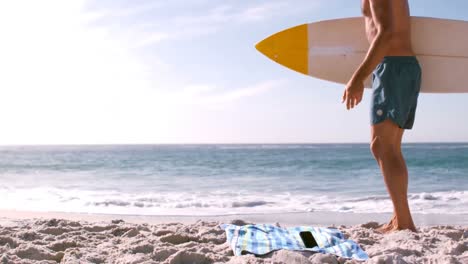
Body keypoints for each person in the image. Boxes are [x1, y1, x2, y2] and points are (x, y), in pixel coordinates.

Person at [342, 0, 421, 233]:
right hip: (394, 67)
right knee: (387, 148)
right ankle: (400, 218)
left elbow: (385, 33)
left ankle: (405, 223)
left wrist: (357, 78)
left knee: (383, 146)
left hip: (393, 67)